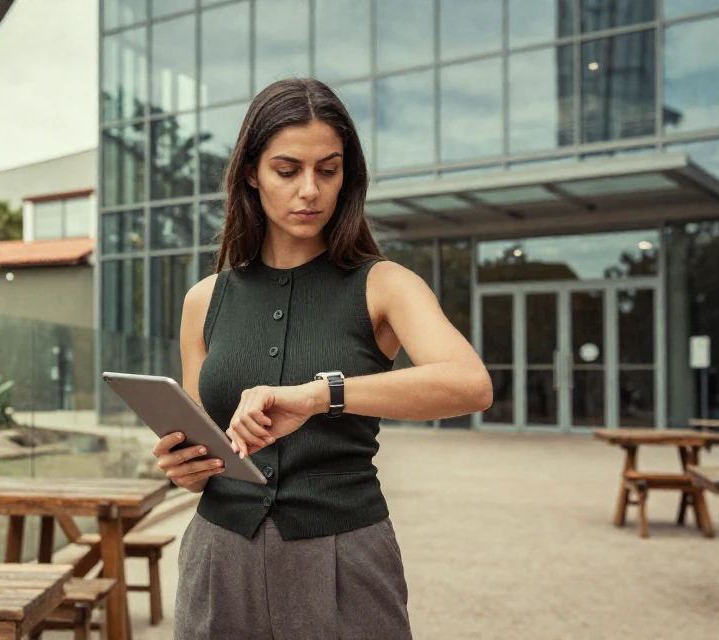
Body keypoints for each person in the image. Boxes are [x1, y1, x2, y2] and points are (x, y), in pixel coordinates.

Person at [151, 77, 494, 639]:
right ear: (251, 176)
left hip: (345, 557)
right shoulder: (204, 301)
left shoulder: (383, 284)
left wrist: (320, 395)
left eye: (328, 170)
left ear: (346, 177)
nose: (309, 189)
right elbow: (206, 443)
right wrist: (183, 469)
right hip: (218, 557)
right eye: (287, 170)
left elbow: (470, 384)